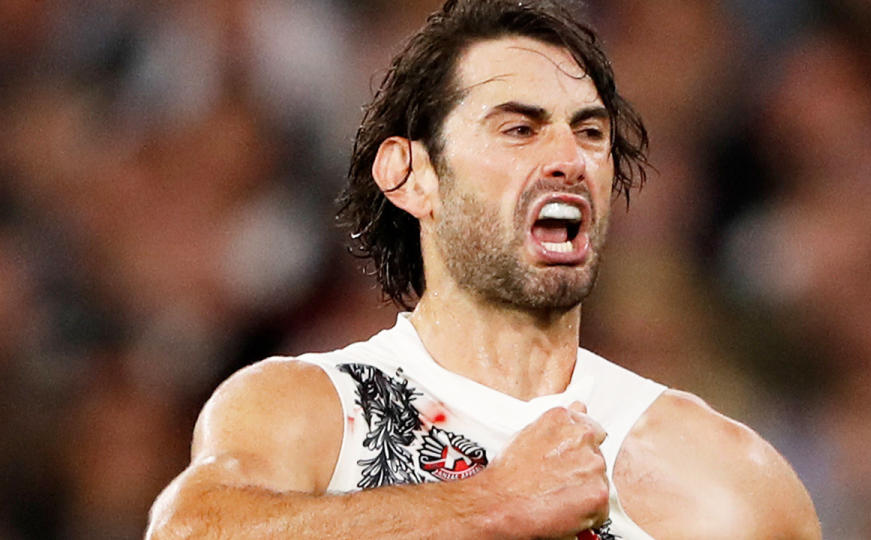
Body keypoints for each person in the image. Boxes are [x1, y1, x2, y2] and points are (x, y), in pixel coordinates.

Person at [147, 1, 821, 538]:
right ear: (411, 175)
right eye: (519, 129)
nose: (569, 158)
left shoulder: (728, 480)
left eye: (590, 132)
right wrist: (489, 507)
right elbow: (189, 532)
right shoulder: (309, 413)